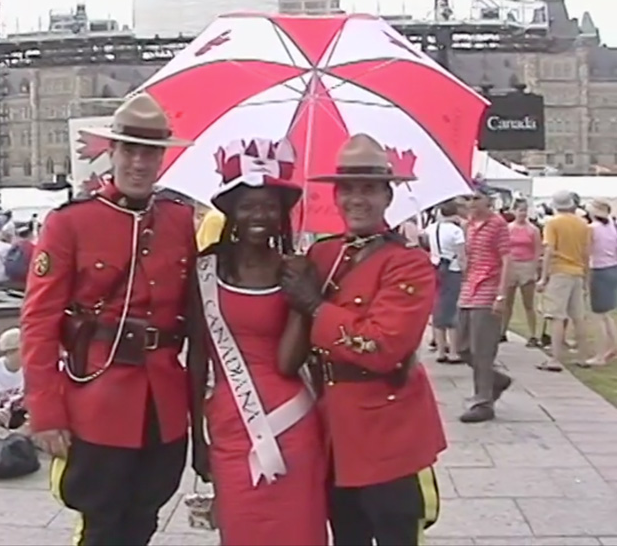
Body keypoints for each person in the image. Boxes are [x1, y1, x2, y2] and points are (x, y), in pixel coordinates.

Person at [21, 92, 196, 546]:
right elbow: (39, 321)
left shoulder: (180, 221)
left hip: (164, 401)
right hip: (97, 397)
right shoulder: (71, 223)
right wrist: (45, 410)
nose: (139, 162)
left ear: (162, 158)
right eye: (130, 150)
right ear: (112, 152)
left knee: (144, 518)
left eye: (150, 152)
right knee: (101, 523)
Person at [280, 134, 446, 546]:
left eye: (369, 189)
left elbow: (382, 347)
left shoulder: (408, 263)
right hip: (332, 430)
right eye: (348, 188)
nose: (357, 199)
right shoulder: (323, 253)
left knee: (395, 535)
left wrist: (315, 307)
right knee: (347, 536)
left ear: (388, 196)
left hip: (387, 432)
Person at [188, 138, 327, 546]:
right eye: (248, 205)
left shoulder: (295, 270)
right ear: (230, 210)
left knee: (299, 531)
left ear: (283, 212)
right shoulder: (204, 270)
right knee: (242, 531)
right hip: (229, 426)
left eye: (269, 205)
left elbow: (287, 363)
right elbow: (198, 357)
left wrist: (303, 298)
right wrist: (198, 438)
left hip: (292, 422)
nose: (259, 215)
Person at [456, 184, 513, 422]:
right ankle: (496, 380)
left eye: (476, 198)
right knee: (462, 347)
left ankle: (483, 401)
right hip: (469, 288)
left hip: (488, 290)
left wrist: (501, 295)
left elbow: (507, 259)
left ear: (488, 202)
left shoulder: (497, 224)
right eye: (468, 198)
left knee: (483, 350)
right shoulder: (468, 225)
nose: (472, 203)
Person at [536, 190, 590, 371]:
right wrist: (586, 277)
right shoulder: (583, 224)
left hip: (559, 271)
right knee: (578, 316)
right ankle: (583, 356)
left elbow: (549, 250)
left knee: (557, 316)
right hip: (577, 271)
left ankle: (555, 359)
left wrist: (543, 277)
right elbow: (586, 252)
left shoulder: (553, 223)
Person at [424, 200, 466, 364]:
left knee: (438, 307)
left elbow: (424, 241)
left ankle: (441, 349)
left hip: (435, 268)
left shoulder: (432, 228)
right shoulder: (456, 231)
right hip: (453, 270)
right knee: (452, 309)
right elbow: (461, 255)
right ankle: (454, 351)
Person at [582, 198, 617, 367]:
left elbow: (587, 253)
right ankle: (613, 347)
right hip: (612, 268)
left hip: (599, 269)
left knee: (598, 316)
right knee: (607, 314)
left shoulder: (592, 229)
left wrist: (586, 277)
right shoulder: (611, 226)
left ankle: (600, 355)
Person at [502, 198, 541, 346]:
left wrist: (534, 268)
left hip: (527, 265)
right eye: (520, 210)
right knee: (507, 302)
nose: (522, 213)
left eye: (525, 210)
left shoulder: (533, 230)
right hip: (511, 265)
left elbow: (537, 250)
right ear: (514, 211)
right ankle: (502, 331)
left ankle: (532, 334)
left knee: (528, 303)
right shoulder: (508, 228)